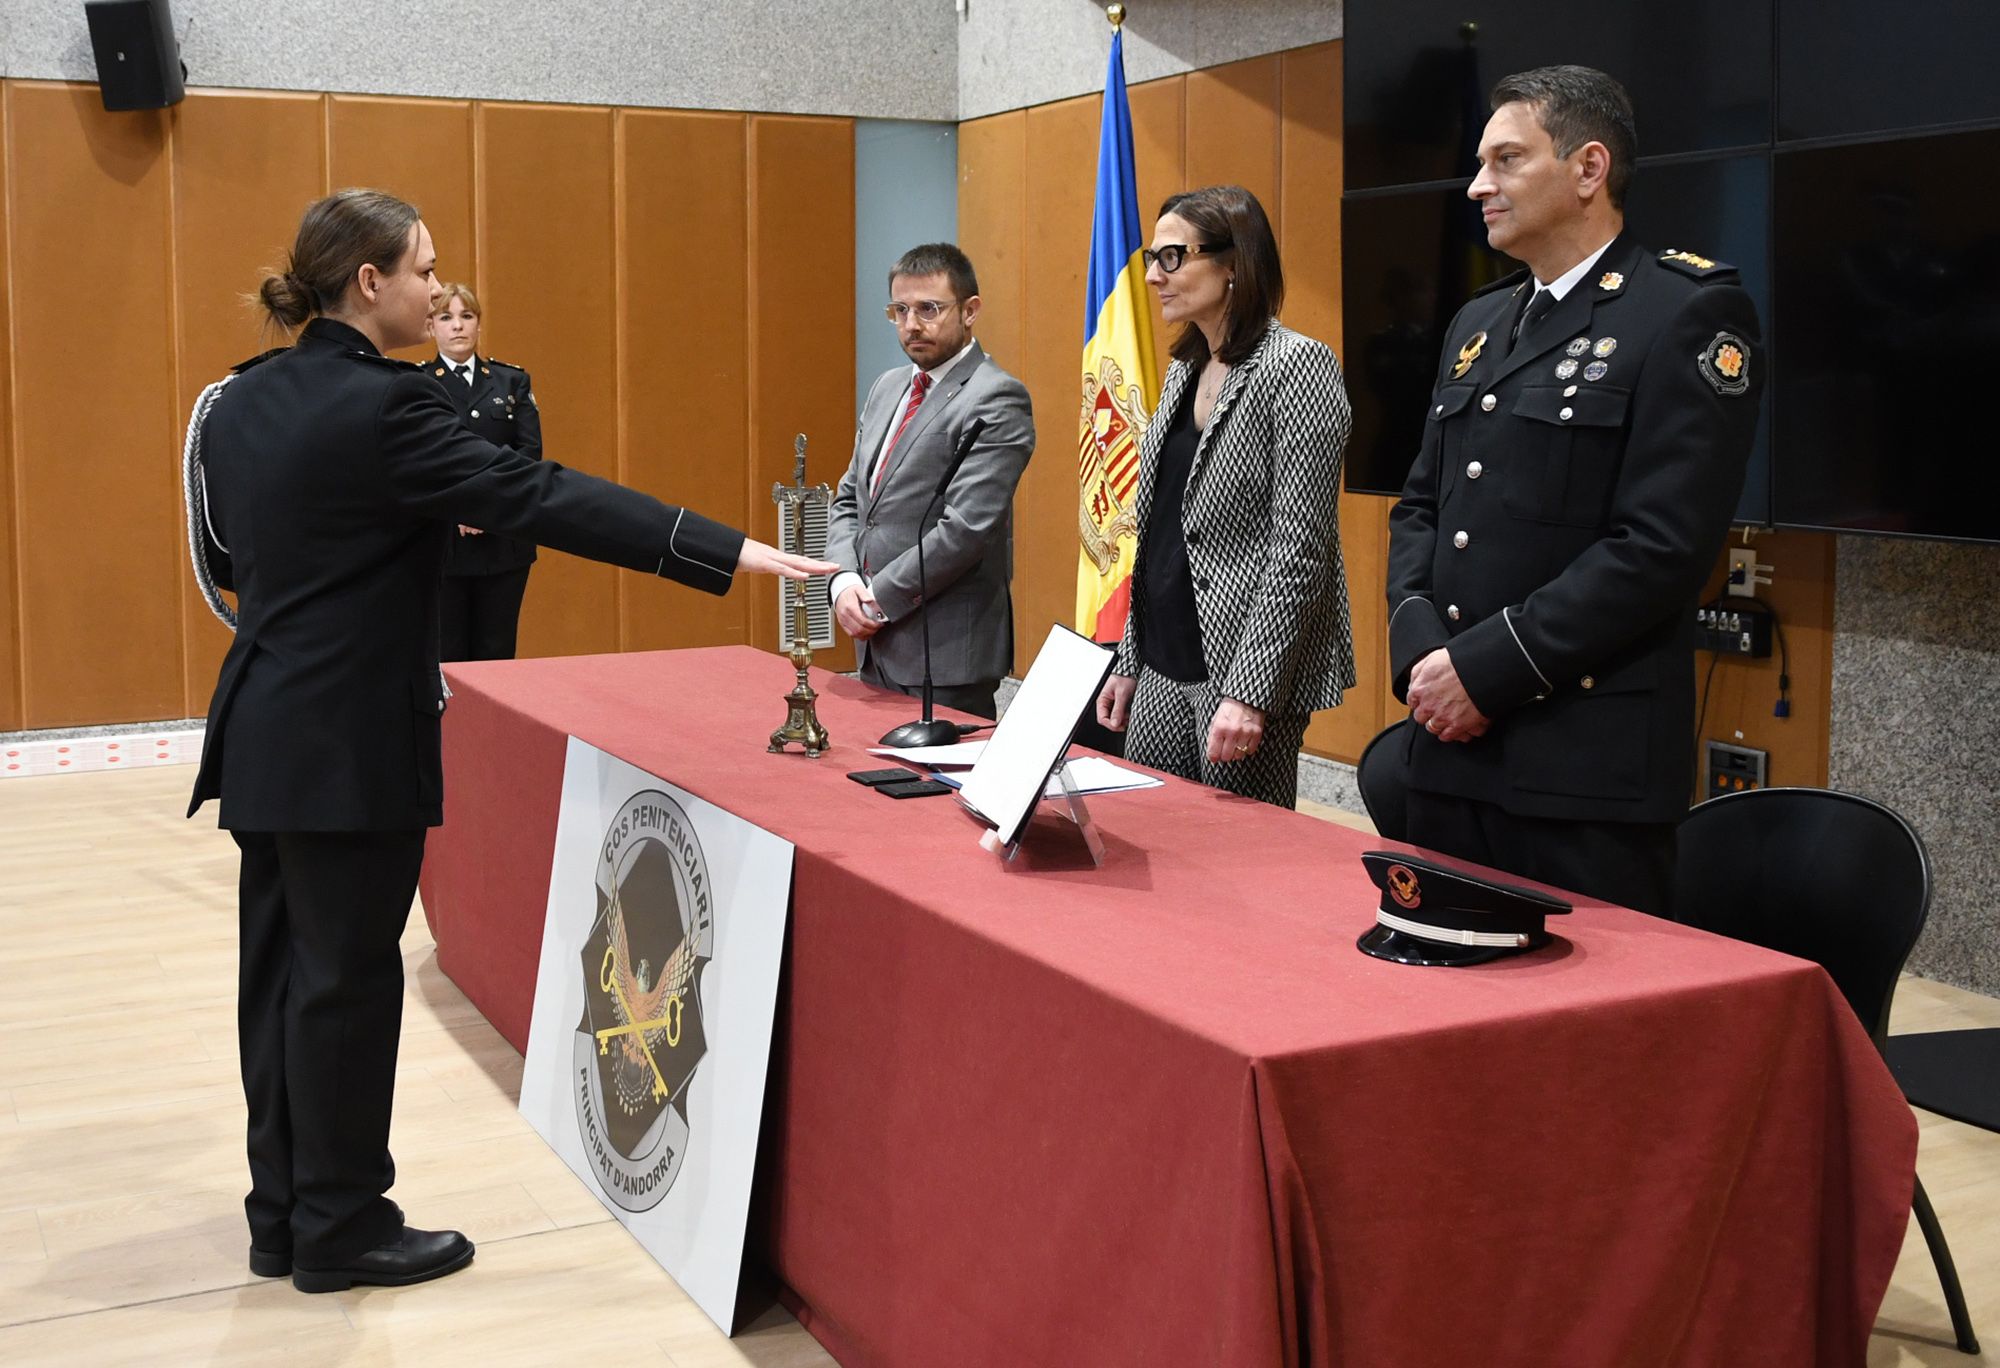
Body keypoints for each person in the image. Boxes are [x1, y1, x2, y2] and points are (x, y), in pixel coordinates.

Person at [186, 188, 832, 1295]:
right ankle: (342, 1225)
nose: (440, 289)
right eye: (424, 269)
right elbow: (546, 497)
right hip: (351, 746)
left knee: (282, 977)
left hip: (261, 729)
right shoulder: (389, 412)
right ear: (369, 284)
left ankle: (282, 1213)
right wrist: (730, 552)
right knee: (344, 983)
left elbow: (229, 558)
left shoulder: (240, 401)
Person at [1384, 65, 1764, 915]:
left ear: (1589, 170)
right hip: (1447, 748)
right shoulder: (1477, 323)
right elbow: (1421, 507)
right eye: (1481, 162)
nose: (1478, 184)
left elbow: (1660, 549)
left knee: (1580, 1041)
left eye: (1507, 160)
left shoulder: (1686, 313)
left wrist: (1482, 671)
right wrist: (1422, 664)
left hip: (1580, 770)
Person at [1093, 185, 1356, 808]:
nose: (1154, 276)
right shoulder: (1186, 368)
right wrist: (1129, 659)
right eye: (1151, 258)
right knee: (1156, 841)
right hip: (1162, 661)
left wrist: (1250, 691)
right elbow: (1155, 533)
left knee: (1237, 868)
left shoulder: (1296, 366)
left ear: (1234, 263)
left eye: (1172, 257)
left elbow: (1300, 549)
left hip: (1241, 669)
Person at [826, 243, 1034, 721]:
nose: (911, 324)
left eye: (929, 309)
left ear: (970, 311)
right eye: (900, 310)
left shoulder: (996, 397)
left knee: (931, 794)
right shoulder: (887, 387)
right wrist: (842, 583)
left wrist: (877, 598)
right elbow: (850, 502)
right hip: (875, 645)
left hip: (945, 655)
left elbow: (966, 529)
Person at [426, 284, 540, 661]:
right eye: (446, 317)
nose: (457, 326)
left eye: (466, 316)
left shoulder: (511, 381)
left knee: (498, 655)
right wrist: (461, 507)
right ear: (431, 327)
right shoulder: (419, 384)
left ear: (478, 325)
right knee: (449, 657)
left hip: (503, 540)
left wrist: (486, 508)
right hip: (443, 543)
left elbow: (528, 454)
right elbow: (420, 461)